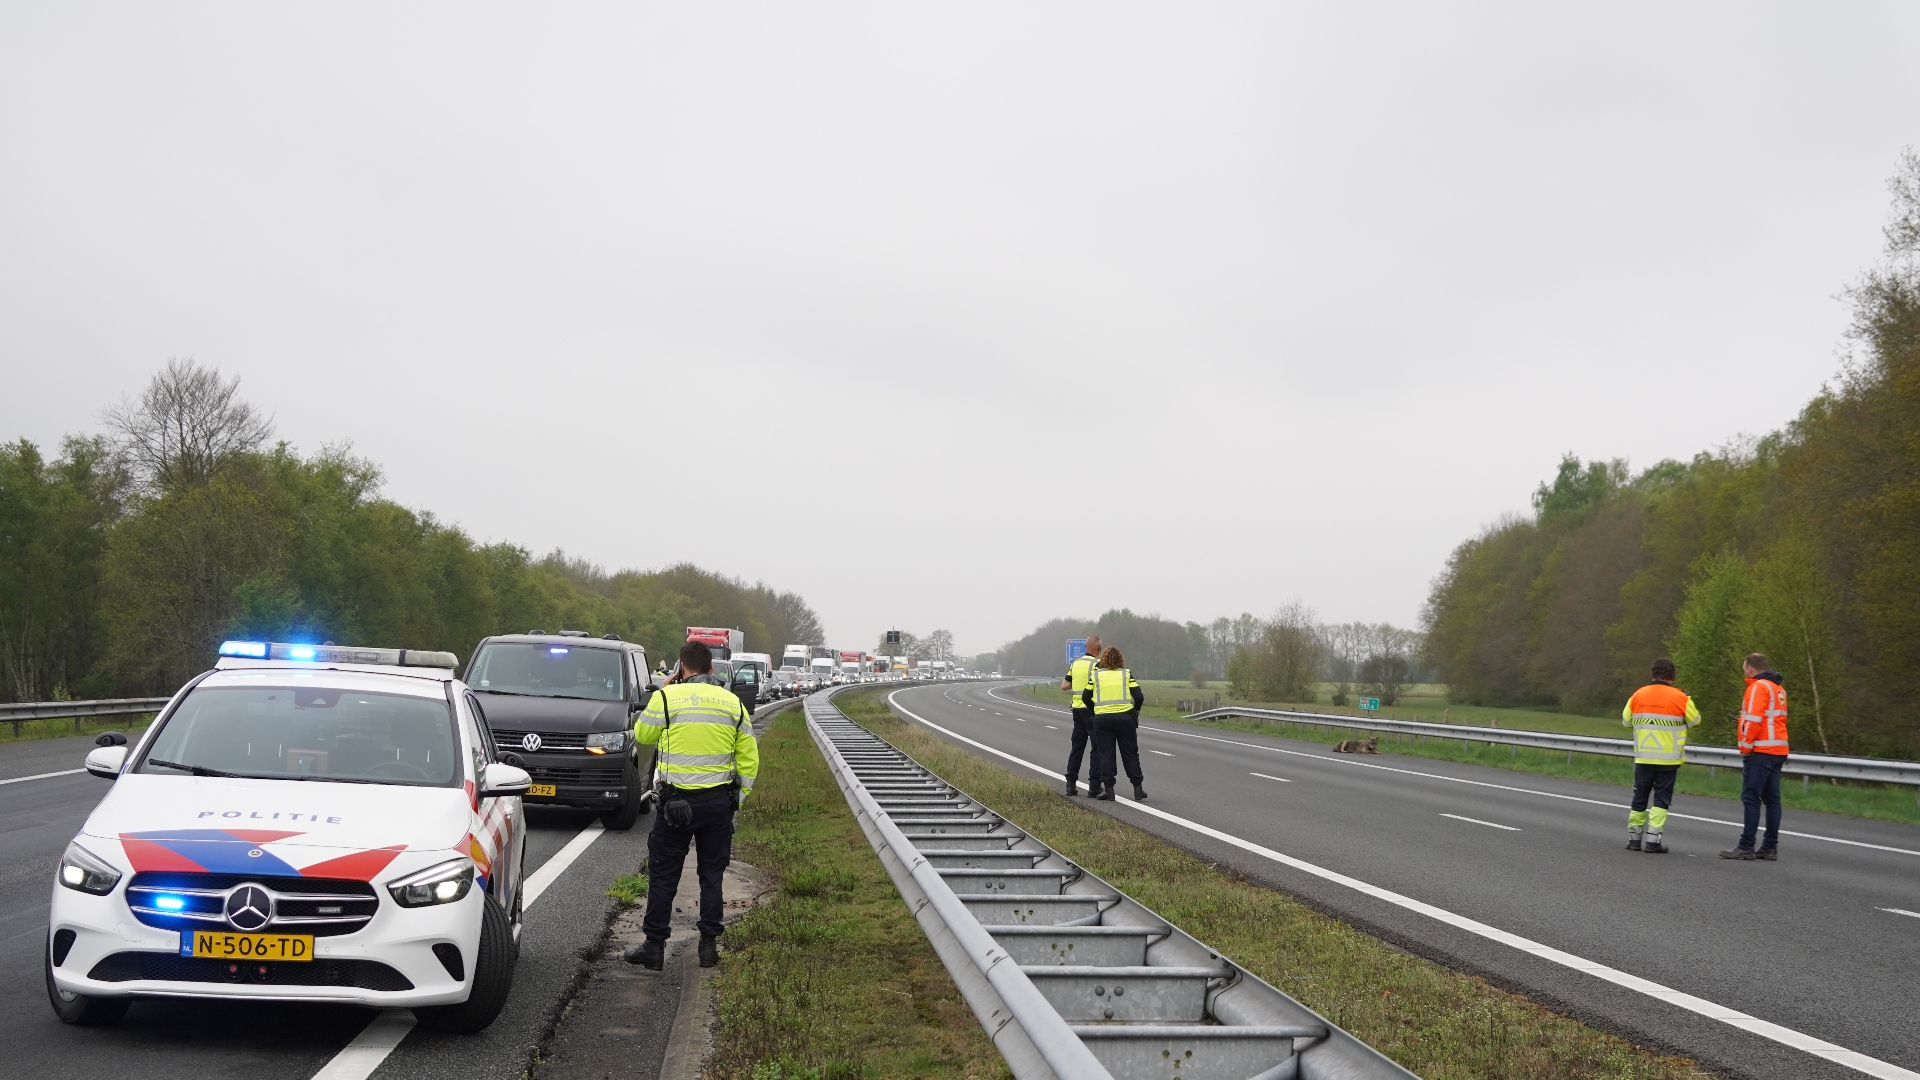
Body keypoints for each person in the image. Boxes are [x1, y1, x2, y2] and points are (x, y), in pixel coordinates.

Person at [624, 640, 759, 970]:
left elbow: (643, 735)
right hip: (717, 805)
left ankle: (654, 947)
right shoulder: (732, 703)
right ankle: (708, 948)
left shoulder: (667, 698)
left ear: (681, 668)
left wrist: (663, 691)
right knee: (712, 876)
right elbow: (749, 758)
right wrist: (737, 800)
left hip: (675, 806)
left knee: (664, 876)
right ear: (711, 668)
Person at [1622, 657, 1700, 853]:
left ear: (1653, 673)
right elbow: (1695, 721)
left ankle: (1634, 839)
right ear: (1672, 676)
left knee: (1639, 797)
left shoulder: (1638, 694)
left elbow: (1626, 721)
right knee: (1661, 799)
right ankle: (1652, 841)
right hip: (1668, 758)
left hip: (1644, 756)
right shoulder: (1681, 697)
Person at [1722, 653, 1789, 861]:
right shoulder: (1778, 688)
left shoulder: (1758, 687)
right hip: (1778, 749)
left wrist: (1745, 746)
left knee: (1751, 797)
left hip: (1760, 750)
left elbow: (1753, 720)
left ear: (1750, 668)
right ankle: (1769, 847)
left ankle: (1746, 846)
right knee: (1772, 801)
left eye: (1744, 668)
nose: (1744, 672)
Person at [1082, 646, 1146, 802]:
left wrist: (1095, 710)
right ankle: (1138, 789)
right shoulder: (1126, 674)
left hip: (1102, 719)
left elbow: (1085, 697)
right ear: (1120, 659)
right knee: (1130, 753)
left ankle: (1109, 790)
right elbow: (1139, 696)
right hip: (1125, 718)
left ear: (1103, 660)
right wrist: (1135, 710)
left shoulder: (1096, 675)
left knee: (1106, 754)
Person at [1059, 634, 1103, 796]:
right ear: (1099, 648)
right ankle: (1094, 787)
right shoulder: (1097, 664)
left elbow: (1064, 686)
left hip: (1077, 710)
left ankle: (1070, 785)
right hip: (1092, 710)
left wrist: (1077, 683)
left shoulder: (1075, 664)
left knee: (1077, 747)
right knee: (1097, 748)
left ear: (1085, 647)